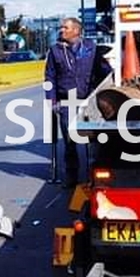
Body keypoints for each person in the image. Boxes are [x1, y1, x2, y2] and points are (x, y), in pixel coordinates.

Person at [44, 17, 110, 187]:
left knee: (94, 141)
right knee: (69, 143)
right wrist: (51, 100)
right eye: (61, 28)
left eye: (65, 28)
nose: (62, 30)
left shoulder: (91, 48)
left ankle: (93, 175)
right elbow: (49, 77)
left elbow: (104, 72)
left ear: (76, 30)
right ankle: (72, 176)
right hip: (66, 102)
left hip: (89, 101)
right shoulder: (55, 51)